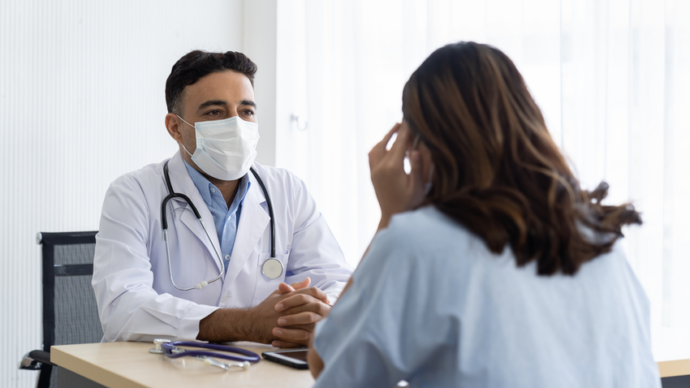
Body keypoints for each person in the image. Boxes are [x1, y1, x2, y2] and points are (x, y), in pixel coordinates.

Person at [307, 42, 660, 387]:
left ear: (414, 145)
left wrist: (390, 219)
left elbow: (329, 364)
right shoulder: (596, 238)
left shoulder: (419, 243)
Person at [92, 50, 352, 347]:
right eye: (214, 112)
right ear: (175, 127)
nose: (236, 126)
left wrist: (315, 313)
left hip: (260, 370)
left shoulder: (288, 191)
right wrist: (247, 324)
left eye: (246, 111)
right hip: (160, 371)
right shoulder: (132, 194)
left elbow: (335, 281)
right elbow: (121, 308)